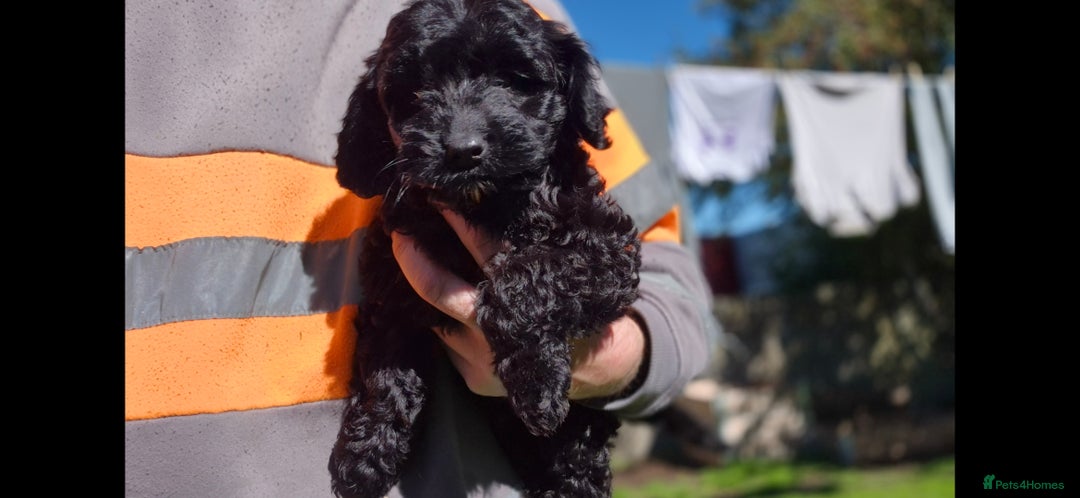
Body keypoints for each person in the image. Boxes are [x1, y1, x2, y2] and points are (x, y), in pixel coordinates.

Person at [125, 0, 719, 496]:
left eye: (514, 83)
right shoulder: (404, 211)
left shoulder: (573, 193)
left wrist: (588, 355)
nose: (462, 134)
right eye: (415, 98)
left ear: (571, 96)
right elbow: (391, 314)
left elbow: (631, 267)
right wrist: (381, 417)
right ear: (375, 116)